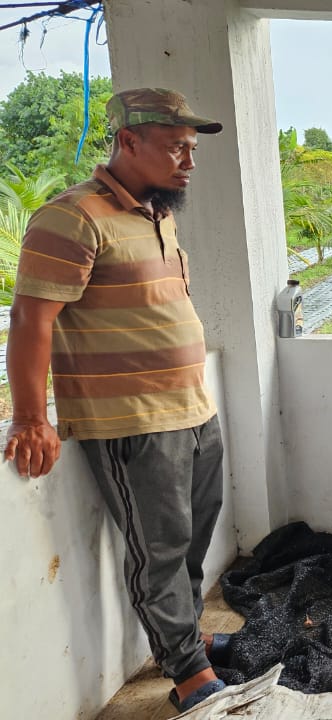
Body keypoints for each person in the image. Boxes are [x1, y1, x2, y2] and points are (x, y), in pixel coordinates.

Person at [3, 88, 228, 711]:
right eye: (176, 147)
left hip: (193, 410)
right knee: (158, 548)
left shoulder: (157, 213)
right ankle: (188, 675)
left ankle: (186, 641)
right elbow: (30, 319)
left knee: (193, 538)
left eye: (192, 149)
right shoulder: (72, 217)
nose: (189, 160)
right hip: (131, 419)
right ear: (128, 142)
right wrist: (29, 416)